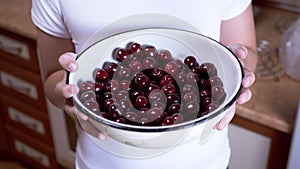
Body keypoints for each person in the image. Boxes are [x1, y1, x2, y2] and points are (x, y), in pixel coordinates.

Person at [31, 0, 257, 169]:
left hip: (206, 162)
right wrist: (67, 93)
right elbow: (52, 78)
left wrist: (239, 70)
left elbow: (245, 50)